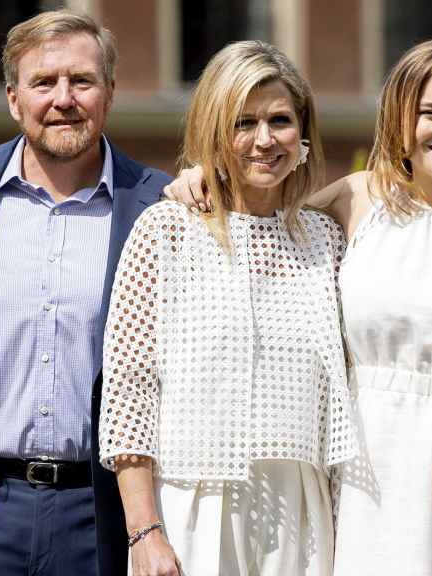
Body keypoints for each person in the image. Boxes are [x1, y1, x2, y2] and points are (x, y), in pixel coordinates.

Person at [166, 38, 432, 574]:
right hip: (368, 465)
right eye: (429, 112)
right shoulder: (355, 201)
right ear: (400, 118)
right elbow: (263, 223)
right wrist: (203, 173)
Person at [0, 9, 171, 576]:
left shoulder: (160, 205)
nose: (64, 98)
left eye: (81, 81)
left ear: (109, 93)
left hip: (103, 512)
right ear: (14, 98)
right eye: (43, 82)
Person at [98, 40, 357, 576]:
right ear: (217, 130)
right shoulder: (165, 231)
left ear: (303, 131)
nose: (264, 140)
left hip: (303, 511)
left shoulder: (326, 241)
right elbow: (129, 395)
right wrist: (144, 532)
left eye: (280, 120)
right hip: (194, 506)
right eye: (244, 122)